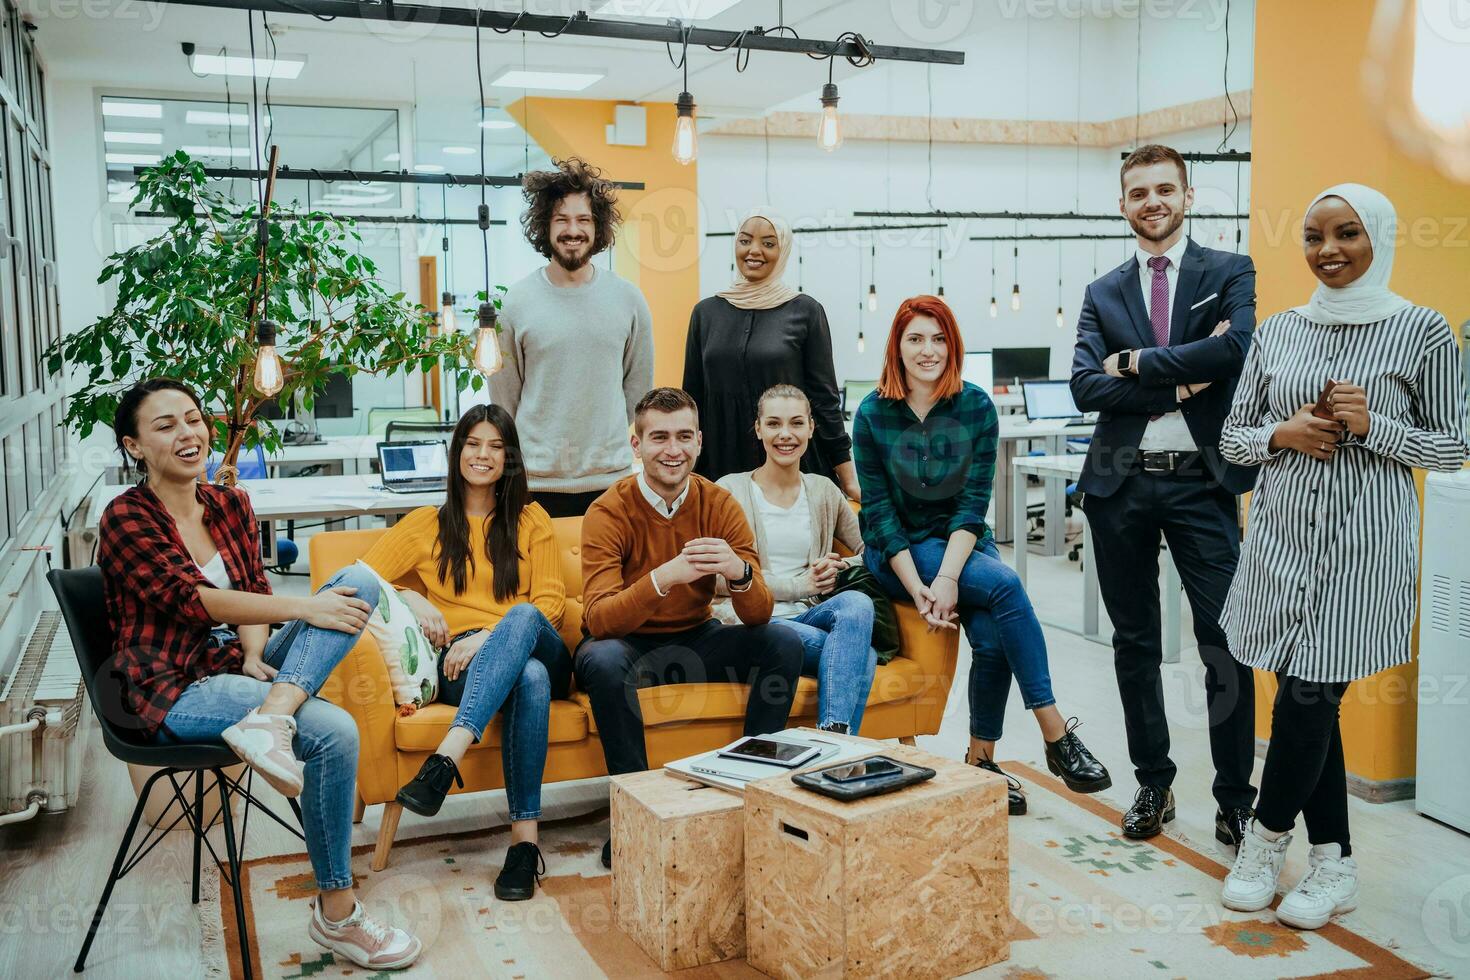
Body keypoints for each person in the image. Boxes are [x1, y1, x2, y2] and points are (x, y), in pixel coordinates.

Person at [97, 378, 421, 971]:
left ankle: (271, 715)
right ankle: (339, 914)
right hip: (170, 685)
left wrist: (254, 652)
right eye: (165, 426)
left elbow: (251, 587)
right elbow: (194, 600)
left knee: (361, 581)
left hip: (233, 665)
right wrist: (305, 609)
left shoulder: (230, 503)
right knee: (334, 730)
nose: (187, 434)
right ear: (134, 445)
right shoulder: (125, 517)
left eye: (193, 419)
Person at [1217, 184, 1467, 928]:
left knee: (1309, 696)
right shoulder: (1280, 330)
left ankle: (1265, 840)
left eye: (1347, 234)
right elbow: (1234, 438)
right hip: (1281, 543)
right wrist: (1281, 436)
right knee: (1303, 697)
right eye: (1315, 236)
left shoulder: (1421, 330)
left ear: (1378, 238)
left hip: (1365, 551)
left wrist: (1375, 425)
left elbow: (1454, 444)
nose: (1328, 250)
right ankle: (1336, 865)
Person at [1069, 143, 1261, 845]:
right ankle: (1154, 784)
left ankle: (1236, 799)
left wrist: (1139, 364)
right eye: (1138, 192)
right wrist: (1182, 379)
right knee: (1135, 643)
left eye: (1164, 189)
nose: (1152, 201)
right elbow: (1086, 385)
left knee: (1225, 640)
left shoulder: (1229, 271)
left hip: (1202, 484)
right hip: (1119, 485)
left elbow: (1237, 348)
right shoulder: (1103, 292)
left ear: (1188, 195)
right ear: (1123, 205)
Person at [854, 295, 1110, 816]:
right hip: (897, 549)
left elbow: (973, 503)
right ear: (897, 347)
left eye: (939, 338)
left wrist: (949, 576)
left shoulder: (974, 406)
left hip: (962, 538)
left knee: (992, 640)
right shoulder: (872, 413)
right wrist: (920, 584)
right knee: (1006, 585)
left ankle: (980, 761)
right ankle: (1056, 732)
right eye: (916, 339)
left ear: (953, 345)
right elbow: (878, 513)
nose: (929, 350)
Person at [575, 387, 805, 868]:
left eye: (683, 436)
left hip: (698, 640)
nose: (673, 449)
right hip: (630, 648)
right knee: (599, 656)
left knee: (782, 640)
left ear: (699, 442)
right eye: (658, 437)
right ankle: (633, 816)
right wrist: (663, 578)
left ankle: (750, 792)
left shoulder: (718, 503)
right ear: (636, 446)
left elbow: (759, 614)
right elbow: (597, 619)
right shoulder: (608, 511)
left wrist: (738, 574)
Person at [359, 404, 572, 902]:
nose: (483, 455)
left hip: (530, 636)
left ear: (509, 458)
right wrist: (411, 596)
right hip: (462, 663)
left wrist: (488, 636)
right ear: (457, 453)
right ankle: (524, 847)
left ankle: (445, 759)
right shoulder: (423, 524)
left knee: (522, 623)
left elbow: (550, 606)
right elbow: (362, 579)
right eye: (474, 444)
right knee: (530, 680)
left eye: (496, 446)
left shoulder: (532, 520)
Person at [489, 157, 654, 518]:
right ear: (545, 227)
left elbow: (637, 391)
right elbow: (505, 398)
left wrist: (599, 430)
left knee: (606, 576)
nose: (572, 230)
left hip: (611, 479)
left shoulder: (628, 299)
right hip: (535, 481)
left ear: (598, 228)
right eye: (561, 219)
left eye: (583, 220)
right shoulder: (516, 302)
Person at [716, 384, 877, 735]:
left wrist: (841, 567)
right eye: (773, 424)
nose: (785, 435)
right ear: (758, 429)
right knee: (864, 658)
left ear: (811, 428)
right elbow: (715, 575)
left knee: (858, 603)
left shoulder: (823, 490)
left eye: (796, 423)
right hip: (752, 621)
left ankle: (832, 741)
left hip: (809, 615)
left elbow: (872, 549)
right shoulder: (729, 490)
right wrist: (796, 585)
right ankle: (837, 745)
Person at [683, 207, 860, 499]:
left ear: (784, 250)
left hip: (789, 462)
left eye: (768, 243)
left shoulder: (805, 311)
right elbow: (691, 400)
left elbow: (824, 399)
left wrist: (848, 477)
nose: (754, 250)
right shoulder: (706, 313)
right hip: (720, 465)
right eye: (745, 240)